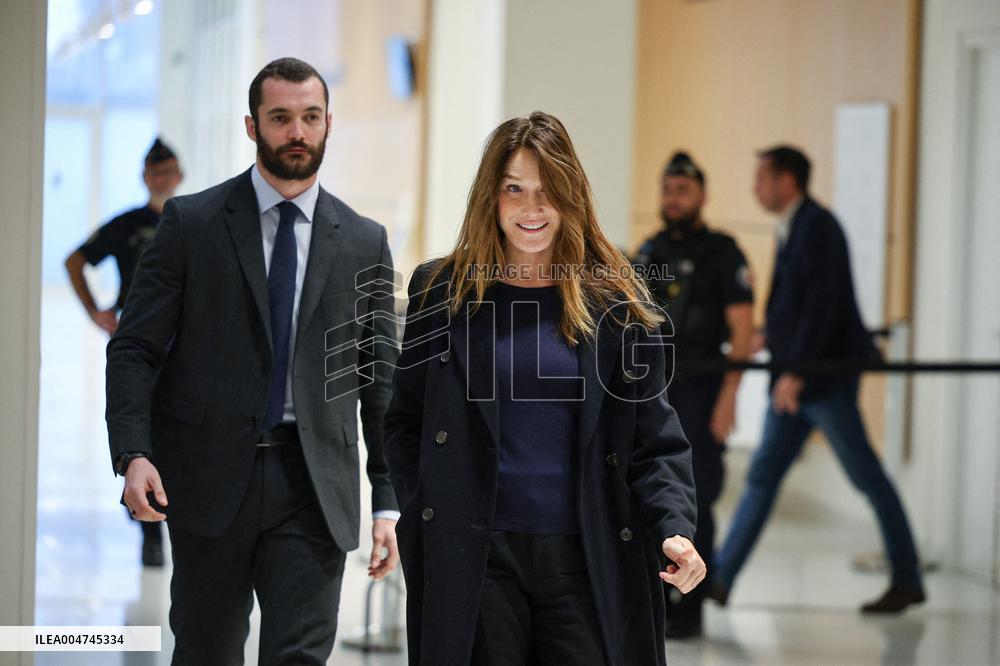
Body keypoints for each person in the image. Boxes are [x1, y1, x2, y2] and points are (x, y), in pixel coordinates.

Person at [105, 57, 400, 664]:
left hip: (314, 485)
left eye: (310, 117)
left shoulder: (365, 241)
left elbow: (381, 381)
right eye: (281, 118)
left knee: (299, 655)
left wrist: (389, 500)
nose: (297, 132)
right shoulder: (193, 224)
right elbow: (134, 348)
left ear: (327, 124)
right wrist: (134, 453)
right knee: (207, 651)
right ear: (252, 125)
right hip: (209, 479)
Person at [383, 111, 706, 666]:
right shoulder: (440, 291)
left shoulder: (620, 305)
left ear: (571, 196)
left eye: (547, 191)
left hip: (587, 554)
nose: (531, 209)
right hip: (477, 557)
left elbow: (656, 439)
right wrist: (427, 507)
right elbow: (405, 420)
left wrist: (674, 526)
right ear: (492, 197)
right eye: (514, 190)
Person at [710, 145, 925, 613]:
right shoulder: (795, 227)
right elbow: (798, 306)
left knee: (865, 476)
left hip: (819, 382)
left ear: (788, 181)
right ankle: (722, 579)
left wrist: (796, 373)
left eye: (763, 178)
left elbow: (825, 308)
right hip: (796, 379)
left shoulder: (818, 227)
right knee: (763, 478)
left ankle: (907, 577)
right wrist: (770, 337)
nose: (756, 187)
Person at [633, 151, 754, 638]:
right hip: (653, 392)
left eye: (682, 190)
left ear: (701, 195)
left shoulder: (723, 252)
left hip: (702, 392)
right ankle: (659, 597)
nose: (672, 198)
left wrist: (729, 398)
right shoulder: (648, 252)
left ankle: (693, 603)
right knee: (650, 495)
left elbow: (742, 332)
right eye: (666, 189)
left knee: (697, 497)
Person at [65, 136, 183, 567]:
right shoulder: (128, 224)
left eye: (168, 172)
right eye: (155, 173)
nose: (162, 179)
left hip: (184, 348)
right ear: (144, 177)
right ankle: (149, 529)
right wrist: (97, 312)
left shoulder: (193, 222)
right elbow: (74, 261)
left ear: (180, 175)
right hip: (138, 347)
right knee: (138, 434)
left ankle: (174, 516)